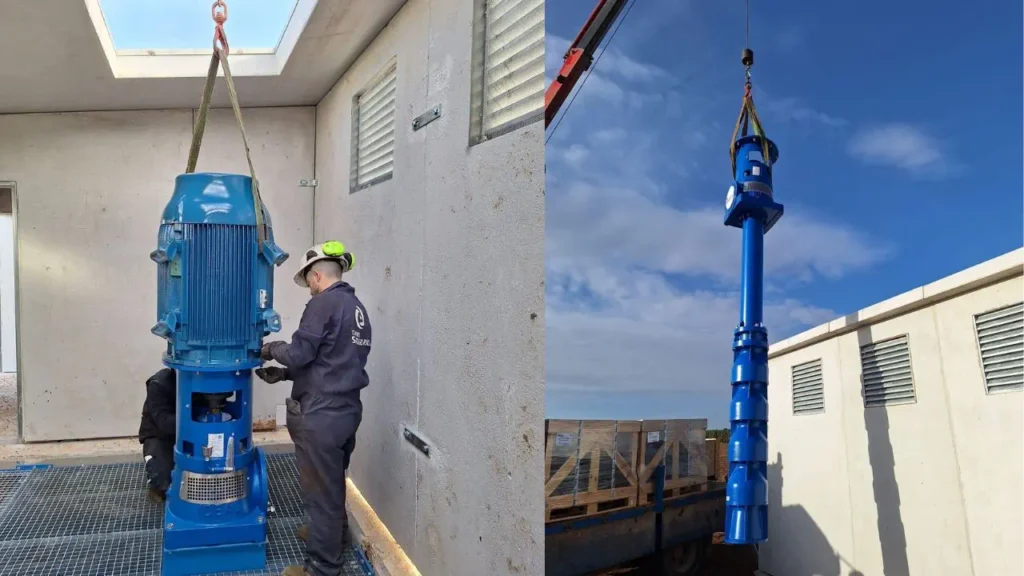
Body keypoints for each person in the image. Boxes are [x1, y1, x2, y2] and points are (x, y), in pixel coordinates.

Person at [255, 240, 371, 576]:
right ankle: (334, 536)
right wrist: (286, 374)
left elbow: (300, 353)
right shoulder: (356, 308)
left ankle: (321, 567)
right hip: (346, 411)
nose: (309, 288)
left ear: (317, 276)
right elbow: (332, 361)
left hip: (320, 414)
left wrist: (271, 349)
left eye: (309, 282)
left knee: (321, 493)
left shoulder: (323, 304)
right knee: (333, 480)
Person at [138, 368, 177, 504]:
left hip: (193, 431)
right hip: (161, 435)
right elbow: (164, 423)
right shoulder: (159, 384)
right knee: (164, 484)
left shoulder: (207, 383)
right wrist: (192, 419)